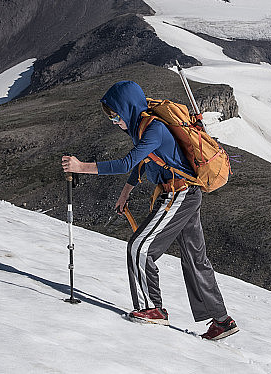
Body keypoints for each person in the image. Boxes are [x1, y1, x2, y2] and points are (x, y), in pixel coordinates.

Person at [61, 80, 238, 340]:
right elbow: (143, 163)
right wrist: (125, 193)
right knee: (195, 259)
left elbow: (126, 163)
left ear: (127, 108)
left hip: (179, 194)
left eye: (115, 115)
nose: (114, 121)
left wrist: (80, 166)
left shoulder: (153, 128)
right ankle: (222, 321)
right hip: (186, 193)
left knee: (139, 249)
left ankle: (152, 309)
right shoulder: (142, 128)